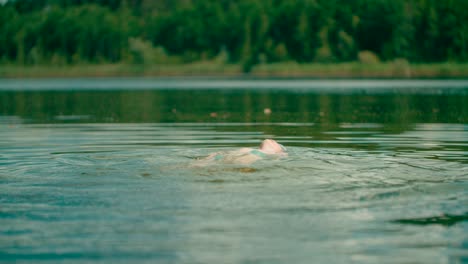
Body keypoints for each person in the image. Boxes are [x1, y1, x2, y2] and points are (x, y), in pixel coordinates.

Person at [194, 139, 287, 166]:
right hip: (224, 155)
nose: (272, 140)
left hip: (251, 155)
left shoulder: (269, 152)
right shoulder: (251, 150)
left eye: (276, 142)